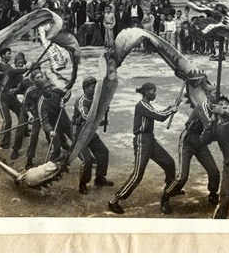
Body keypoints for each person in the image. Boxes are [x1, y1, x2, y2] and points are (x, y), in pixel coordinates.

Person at [107, 82, 177, 215]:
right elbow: (159, 116)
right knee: (137, 174)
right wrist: (171, 110)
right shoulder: (141, 105)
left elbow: (157, 113)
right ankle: (114, 201)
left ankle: (169, 191)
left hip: (150, 140)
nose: (155, 94)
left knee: (169, 163)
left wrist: (170, 107)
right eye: (153, 91)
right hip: (142, 141)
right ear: (145, 92)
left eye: (155, 91)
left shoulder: (147, 105)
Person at [161, 96, 220, 214]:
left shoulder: (217, 108)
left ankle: (213, 194)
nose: (217, 94)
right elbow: (209, 125)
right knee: (183, 176)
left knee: (214, 171)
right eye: (214, 92)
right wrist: (215, 120)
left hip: (200, 141)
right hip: (187, 140)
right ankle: (165, 196)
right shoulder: (201, 107)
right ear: (208, 95)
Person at [72, 76, 114, 194]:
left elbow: (94, 120)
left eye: (96, 87)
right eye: (92, 87)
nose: (95, 89)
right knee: (87, 160)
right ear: (85, 88)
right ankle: (82, 184)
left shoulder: (96, 100)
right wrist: (101, 112)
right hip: (79, 134)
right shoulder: (81, 102)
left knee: (103, 152)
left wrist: (104, 109)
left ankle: (99, 178)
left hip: (90, 131)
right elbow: (87, 117)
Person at [11, 68, 45, 168]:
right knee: (21, 129)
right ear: (33, 79)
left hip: (37, 112)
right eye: (37, 78)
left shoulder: (45, 86)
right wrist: (29, 114)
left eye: (41, 77)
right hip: (26, 110)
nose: (40, 79)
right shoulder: (28, 88)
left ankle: (30, 158)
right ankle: (15, 149)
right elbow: (24, 104)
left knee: (34, 135)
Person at [38, 81, 73, 163]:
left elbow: (68, 92)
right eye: (45, 88)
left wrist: (63, 100)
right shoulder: (42, 104)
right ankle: (50, 164)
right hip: (53, 125)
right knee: (56, 148)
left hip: (64, 120)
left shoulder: (56, 90)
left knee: (75, 139)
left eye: (49, 86)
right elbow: (44, 122)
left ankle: (86, 160)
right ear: (41, 90)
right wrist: (50, 131)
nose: (48, 89)